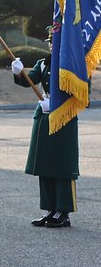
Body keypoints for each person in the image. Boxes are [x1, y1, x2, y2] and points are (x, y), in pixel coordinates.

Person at [12, 26, 79, 227]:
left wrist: (57, 103)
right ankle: (50, 209)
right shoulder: (44, 63)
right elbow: (30, 81)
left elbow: (80, 92)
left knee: (62, 166)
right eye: (50, 41)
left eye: (55, 40)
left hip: (63, 118)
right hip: (44, 117)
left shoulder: (74, 63)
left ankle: (63, 212)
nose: (51, 44)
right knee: (45, 165)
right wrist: (19, 72)